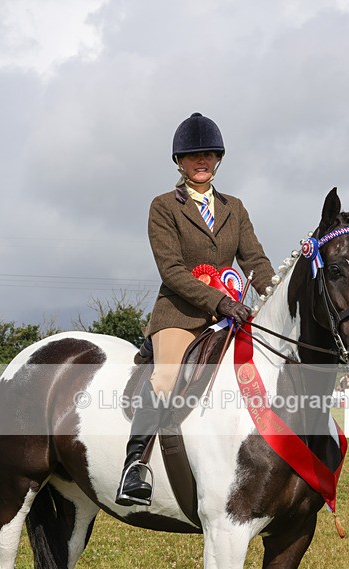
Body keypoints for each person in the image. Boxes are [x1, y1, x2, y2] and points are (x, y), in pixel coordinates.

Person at [116, 112, 275, 506]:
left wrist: (273, 295)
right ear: (179, 162)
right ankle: (134, 465)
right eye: (192, 156)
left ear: (217, 159)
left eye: (208, 155)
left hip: (231, 315)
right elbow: (171, 271)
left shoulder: (234, 208)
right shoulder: (164, 206)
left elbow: (254, 260)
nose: (201, 161)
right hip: (180, 313)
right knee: (166, 378)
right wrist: (219, 301)